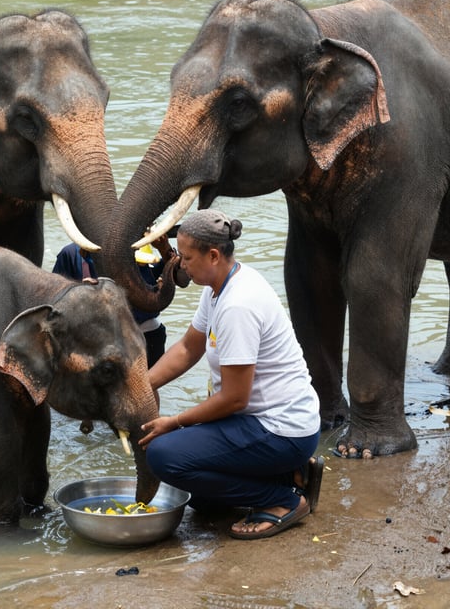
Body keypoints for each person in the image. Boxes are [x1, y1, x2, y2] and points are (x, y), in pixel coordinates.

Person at [138, 209, 323, 540]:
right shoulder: (219, 286)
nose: (181, 265)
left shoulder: (238, 304)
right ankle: (289, 476)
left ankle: (283, 499)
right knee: (203, 499)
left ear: (213, 255)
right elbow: (188, 348)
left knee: (163, 456)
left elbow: (235, 398)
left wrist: (174, 421)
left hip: (279, 429)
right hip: (258, 422)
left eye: (187, 258)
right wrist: (140, 386)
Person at [52, 234, 186, 368]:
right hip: (95, 339)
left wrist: (164, 248)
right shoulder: (72, 254)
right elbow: (56, 302)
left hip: (146, 333)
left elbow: (177, 278)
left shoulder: (139, 247)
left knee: (151, 380)